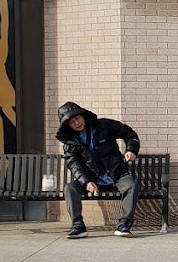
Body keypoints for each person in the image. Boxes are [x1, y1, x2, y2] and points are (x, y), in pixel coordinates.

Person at [56, 101, 141, 238]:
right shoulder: (70, 143)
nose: (76, 123)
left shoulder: (104, 125)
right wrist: (86, 182)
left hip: (116, 174)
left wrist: (131, 150)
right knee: (70, 188)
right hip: (93, 179)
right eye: (72, 122)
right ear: (68, 126)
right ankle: (78, 226)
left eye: (77, 118)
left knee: (131, 185)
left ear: (83, 116)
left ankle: (124, 224)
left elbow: (129, 133)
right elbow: (74, 165)